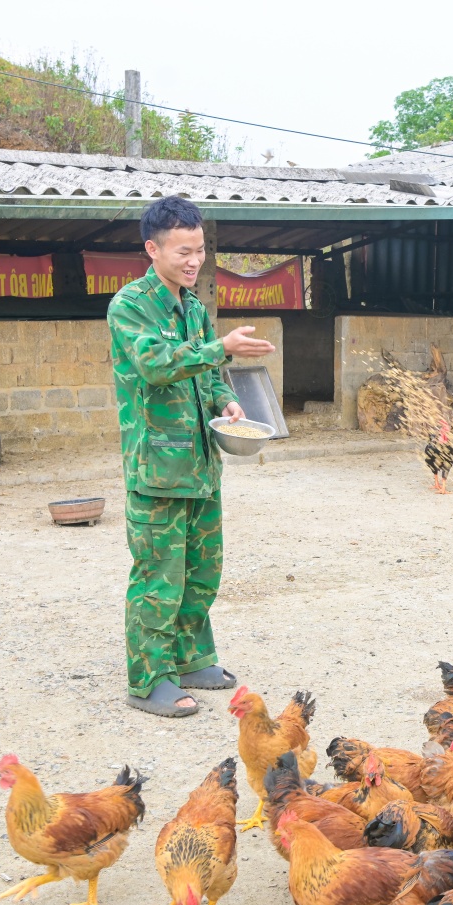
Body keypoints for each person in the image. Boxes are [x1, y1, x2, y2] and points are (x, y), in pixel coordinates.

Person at [107, 195, 274, 717]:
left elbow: (203, 375)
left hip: (201, 464)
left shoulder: (194, 309)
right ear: (152, 249)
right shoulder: (130, 306)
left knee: (203, 569)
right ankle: (149, 678)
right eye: (184, 250)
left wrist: (223, 398)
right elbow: (157, 365)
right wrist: (219, 348)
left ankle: (192, 657)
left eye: (200, 250)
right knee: (159, 573)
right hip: (157, 466)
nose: (194, 260)